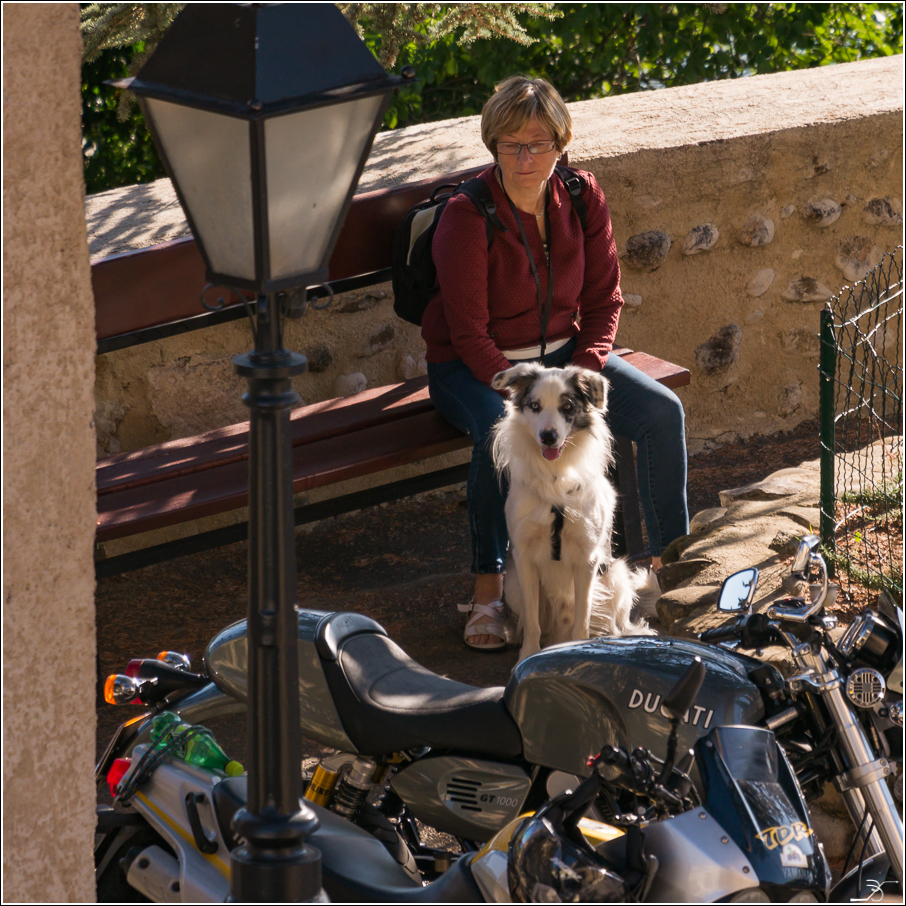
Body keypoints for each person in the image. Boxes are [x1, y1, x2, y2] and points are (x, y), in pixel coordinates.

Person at [422, 76, 689, 650]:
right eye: (511, 143)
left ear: (561, 144)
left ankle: (670, 571)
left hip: (568, 364)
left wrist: (585, 374)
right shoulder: (467, 217)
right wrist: (526, 394)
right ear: (492, 145)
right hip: (477, 369)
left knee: (662, 412)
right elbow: (468, 333)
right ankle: (489, 593)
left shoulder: (582, 195)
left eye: (537, 142)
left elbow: (603, 300)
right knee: (498, 435)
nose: (524, 156)